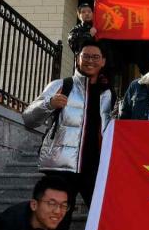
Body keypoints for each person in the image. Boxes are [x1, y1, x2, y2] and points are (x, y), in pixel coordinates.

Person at [22, 40, 114, 217]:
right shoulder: (61, 85)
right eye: (86, 56)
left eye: (95, 57)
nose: (90, 61)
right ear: (78, 58)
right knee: (55, 221)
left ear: (103, 61)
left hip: (95, 168)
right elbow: (28, 119)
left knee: (103, 218)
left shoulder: (108, 93)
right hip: (60, 167)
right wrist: (49, 104)